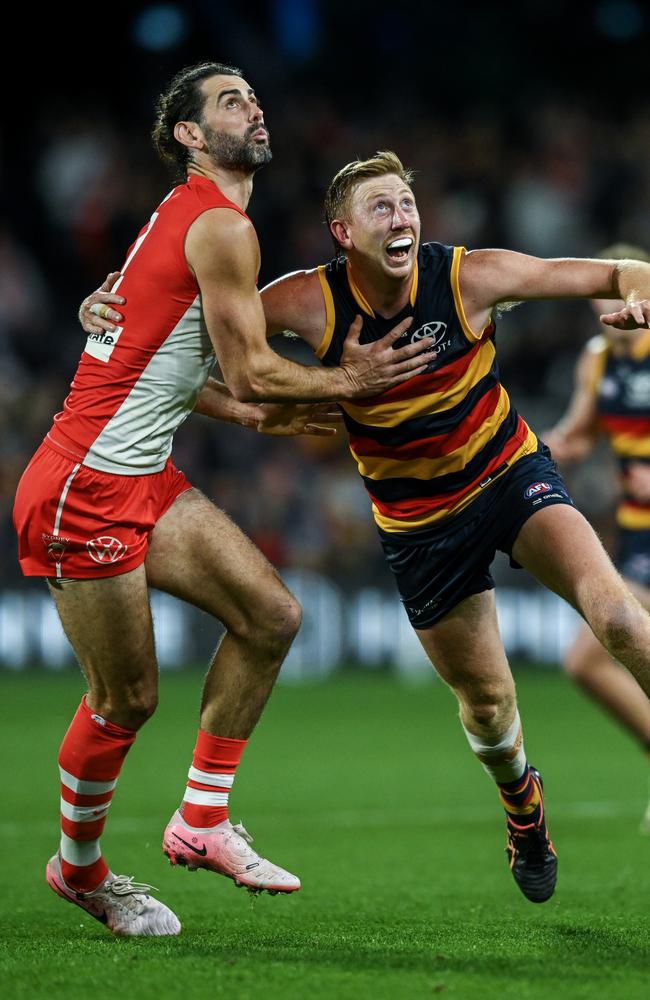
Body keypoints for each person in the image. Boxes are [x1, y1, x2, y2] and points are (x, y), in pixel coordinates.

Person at [84, 150, 650, 907]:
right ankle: (523, 807)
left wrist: (639, 295)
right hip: (417, 525)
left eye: (407, 204)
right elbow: (169, 351)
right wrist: (112, 312)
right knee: (487, 705)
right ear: (342, 232)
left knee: (619, 619)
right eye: (382, 208)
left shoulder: (470, 276)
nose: (403, 217)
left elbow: (618, 272)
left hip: (510, 478)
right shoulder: (305, 304)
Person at [13, 68, 433, 938]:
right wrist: (346, 378)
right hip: (84, 487)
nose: (254, 108)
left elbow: (174, 365)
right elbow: (243, 366)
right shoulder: (214, 223)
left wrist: (248, 408)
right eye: (230, 103)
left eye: (252, 96)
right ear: (192, 137)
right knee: (124, 700)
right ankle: (80, 870)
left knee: (272, 614)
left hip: (139, 475)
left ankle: (200, 820)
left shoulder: (193, 220)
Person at [544, 244, 650, 833]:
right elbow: (581, 434)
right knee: (587, 661)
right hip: (638, 531)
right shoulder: (598, 357)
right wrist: (525, 446)